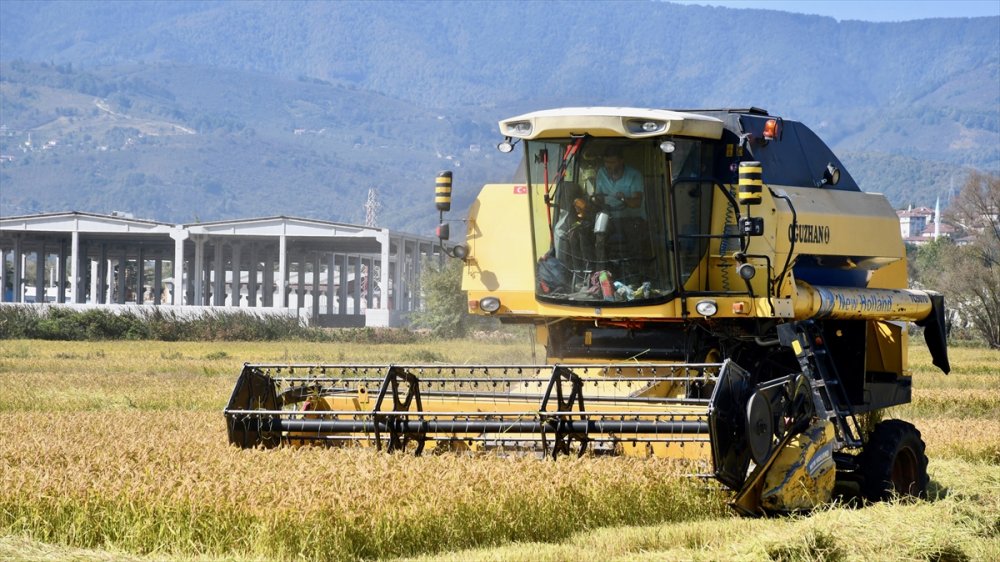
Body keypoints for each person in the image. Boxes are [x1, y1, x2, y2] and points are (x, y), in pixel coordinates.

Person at [595, 145, 644, 219]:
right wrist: (596, 201)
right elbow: (599, 198)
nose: (608, 165)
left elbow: (637, 203)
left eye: (612, 162)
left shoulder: (634, 175)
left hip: (632, 220)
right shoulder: (601, 173)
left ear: (621, 161)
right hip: (609, 219)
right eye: (606, 162)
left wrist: (623, 199)